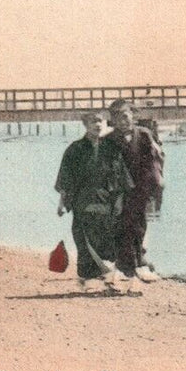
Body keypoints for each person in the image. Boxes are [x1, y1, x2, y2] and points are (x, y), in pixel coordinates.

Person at [55, 112, 133, 292]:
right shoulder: (75, 149)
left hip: (107, 200)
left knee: (107, 240)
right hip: (82, 201)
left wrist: (120, 201)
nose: (97, 125)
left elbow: (121, 177)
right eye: (93, 122)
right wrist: (61, 203)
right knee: (84, 240)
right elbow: (66, 178)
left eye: (100, 121)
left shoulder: (111, 148)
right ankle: (87, 279)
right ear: (85, 125)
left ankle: (107, 278)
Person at [109, 99, 164, 282]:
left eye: (125, 116)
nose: (122, 121)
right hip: (118, 189)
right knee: (120, 224)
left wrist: (157, 184)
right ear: (112, 121)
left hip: (140, 187)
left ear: (132, 115)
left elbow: (154, 160)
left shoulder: (144, 135)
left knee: (139, 224)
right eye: (117, 118)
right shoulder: (108, 140)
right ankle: (124, 265)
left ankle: (139, 261)